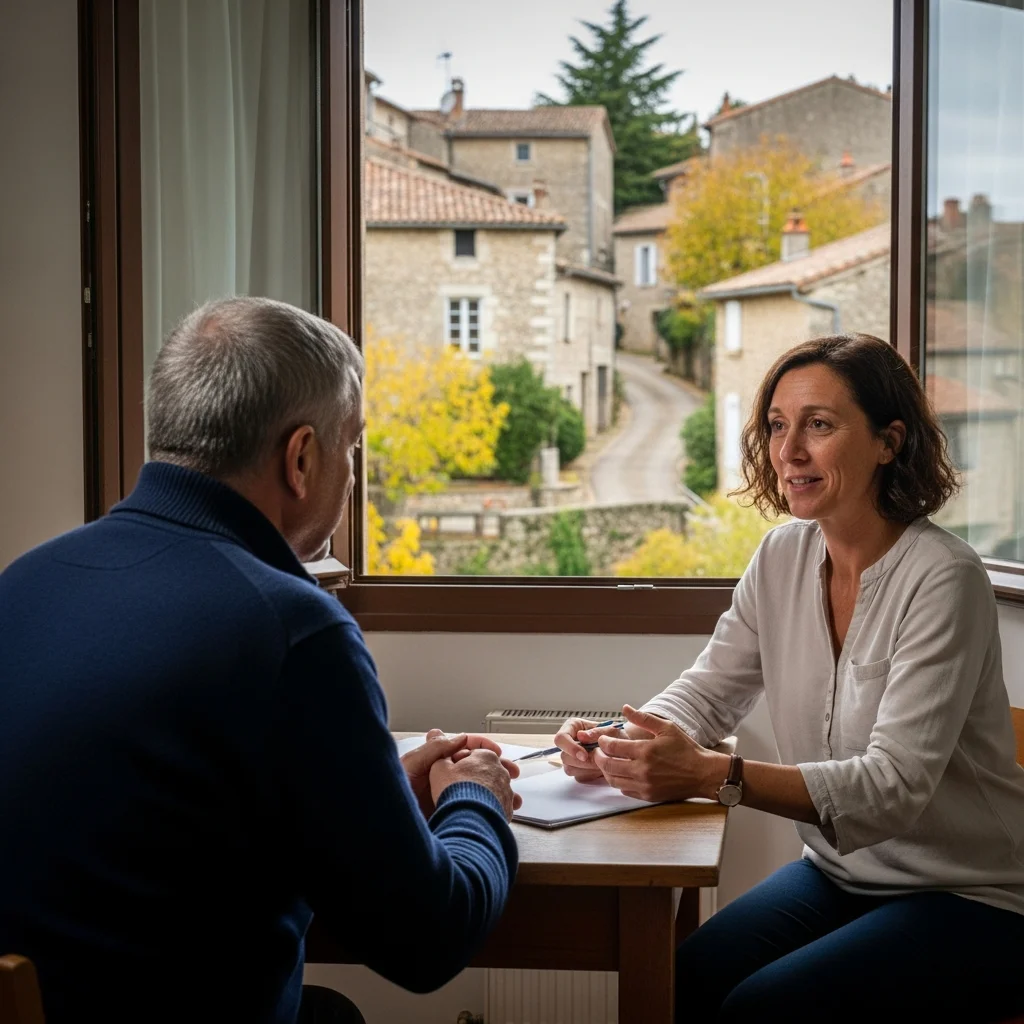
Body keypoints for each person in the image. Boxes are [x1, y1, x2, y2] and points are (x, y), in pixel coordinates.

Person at [0, 297, 521, 1024]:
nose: (352, 468)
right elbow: (428, 942)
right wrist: (477, 798)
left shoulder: (23, 583)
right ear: (302, 458)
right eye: (353, 446)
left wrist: (370, 796)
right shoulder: (291, 630)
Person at [554, 334, 1024, 1022]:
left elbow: (891, 790)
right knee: (678, 979)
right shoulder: (781, 554)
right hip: (842, 874)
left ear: (889, 442)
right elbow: (710, 689)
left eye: (819, 426)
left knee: (762, 1009)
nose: (789, 451)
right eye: (778, 425)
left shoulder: (943, 578)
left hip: (976, 897)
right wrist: (623, 741)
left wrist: (712, 774)